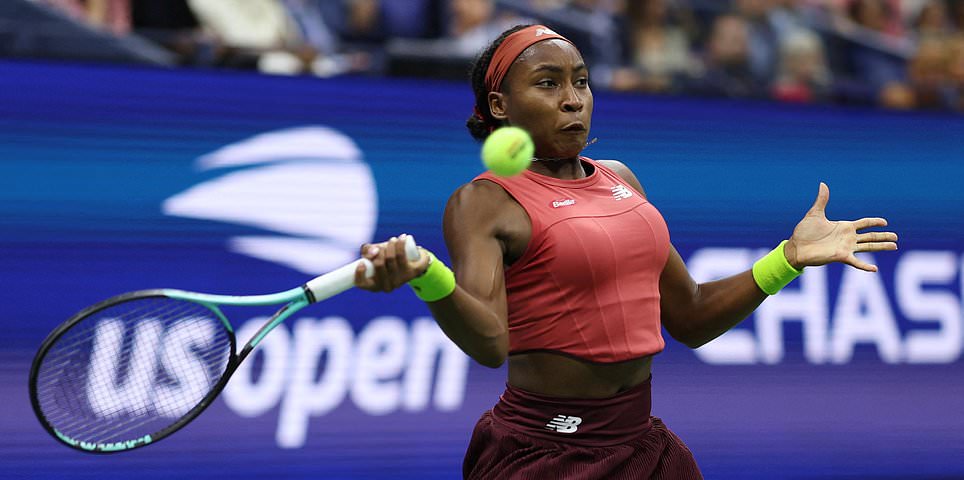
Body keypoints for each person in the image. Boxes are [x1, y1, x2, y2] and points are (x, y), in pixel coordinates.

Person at [353, 24, 899, 479]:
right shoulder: (484, 202)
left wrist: (788, 258)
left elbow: (690, 316)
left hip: (642, 448)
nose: (573, 99)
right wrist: (427, 274)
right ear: (501, 104)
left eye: (581, 81)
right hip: (544, 454)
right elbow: (491, 342)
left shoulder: (621, 179)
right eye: (547, 83)